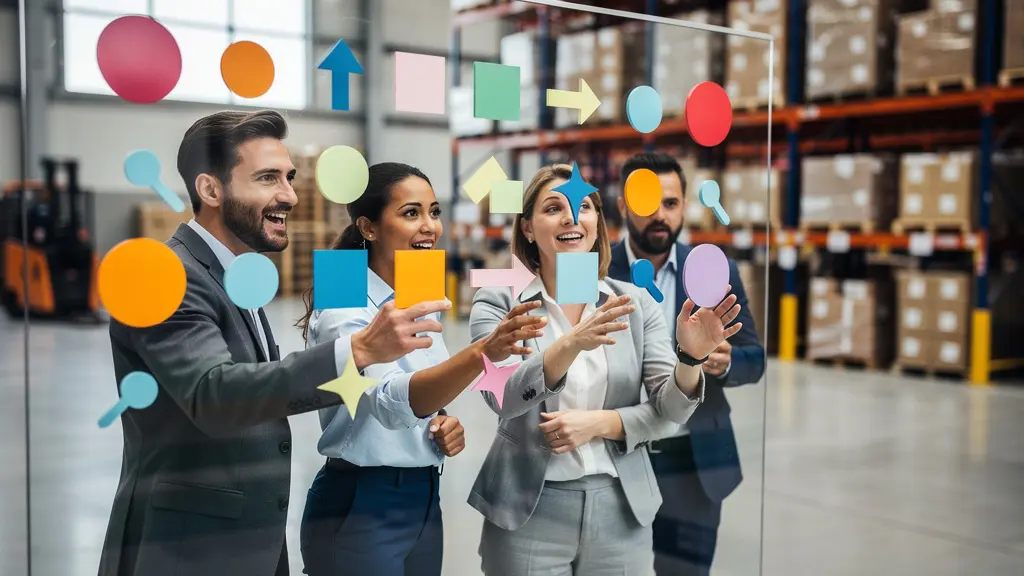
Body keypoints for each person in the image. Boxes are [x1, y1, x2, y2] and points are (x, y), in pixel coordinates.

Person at [100, 111, 452, 576]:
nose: (289, 195)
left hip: (251, 541)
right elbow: (213, 395)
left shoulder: (235, 277)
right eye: (268, 178)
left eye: (288, 178)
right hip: (188, 547)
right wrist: (362, 350)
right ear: (210, 190)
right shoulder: (165, 275)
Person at [468, 164, 745, 575]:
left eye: (584, 207)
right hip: (529, 511)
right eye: (553, 208)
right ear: (527, 228)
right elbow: (502, 398)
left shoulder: (633, 304)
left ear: (597, 223)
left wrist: (690, 359)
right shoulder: (498, 304)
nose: (570, 218)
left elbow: (668, 412)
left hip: (622, 508)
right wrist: (570, 343)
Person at [295, 162, 547, 576]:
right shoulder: (342, 295)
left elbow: (422, 388)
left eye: (434, 211)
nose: (430, 226)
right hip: (362, 501)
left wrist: (443, 422)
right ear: (369, 227)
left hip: (424, 496)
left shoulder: (417, 286)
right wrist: (484, 351)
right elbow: (389, 402)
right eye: (411, 213)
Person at [608, 152, 766, 576]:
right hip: (618, 459)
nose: (660, 215)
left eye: (672, 203)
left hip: (694, 465)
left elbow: (755, 360)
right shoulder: (597, 272)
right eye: (646, 203)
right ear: (623, 207)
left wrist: (726, 363)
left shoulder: (714, 271)